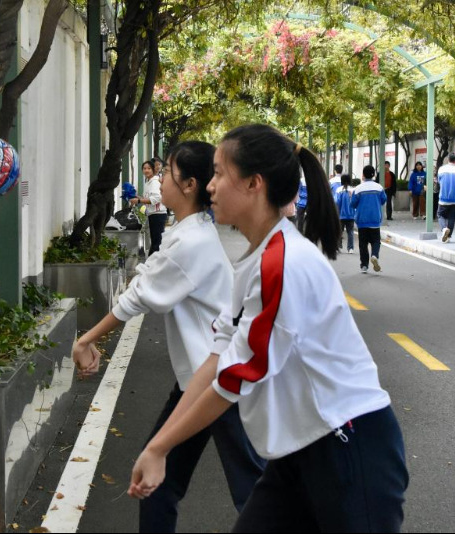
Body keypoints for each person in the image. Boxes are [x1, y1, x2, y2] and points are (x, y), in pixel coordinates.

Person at [128, 124, 408, 533]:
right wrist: (159, 446)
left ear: (253, 184)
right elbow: (218, 354)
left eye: (219, 173)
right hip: (299, 450)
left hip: (348, 447)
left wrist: (160, 447)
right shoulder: (257, 257)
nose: (210, 186)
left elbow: (235, 377)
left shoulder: (282, 263)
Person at [75, 141, 266, 533]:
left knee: (256, 494)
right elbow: (147, 278)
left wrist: (85, 340)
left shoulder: (192, 241)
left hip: (223, 382)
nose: (160, 179)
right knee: (158, 483)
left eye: (166, 173)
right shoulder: (185, 232)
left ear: (189, 184)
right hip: (198, 382)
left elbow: (140, 296)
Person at [352, 165, 387, 273]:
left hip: (362, 220)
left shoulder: (358, 189)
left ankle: (364, 266)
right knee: (376, 241)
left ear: (363, 175)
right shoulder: (379, 187)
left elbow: (353, 204)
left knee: (363, 244)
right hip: (375, 219)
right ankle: (374, 255)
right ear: (374, 175)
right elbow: (383, 200)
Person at [131, 160, 168, 255]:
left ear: (153, 170)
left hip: (158, 214)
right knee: (155, 241)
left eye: (149, 168)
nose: (146, 170)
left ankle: (155, 261)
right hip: (153, 214)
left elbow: (157, 198)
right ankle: (152, 260)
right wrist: (138, 198)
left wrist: (139, 201)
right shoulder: (148, 182)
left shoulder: (154, 182)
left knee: (157, 242)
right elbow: (148, 198)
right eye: (144, 168)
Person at [436, 153, 455, 243]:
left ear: (448, 159)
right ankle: (448, 237)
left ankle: (444, 229)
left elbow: (439, 181)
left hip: (443, 197)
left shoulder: (441, 169)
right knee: (452, 217)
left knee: (440, 214)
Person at [334, 174, 356, 254]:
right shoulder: (353, 190)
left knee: (339, 231)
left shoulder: (339, 190)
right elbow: (355, 202)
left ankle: (338, 247)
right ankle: (350, 248)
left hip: (341, 215)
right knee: (350, 232)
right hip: (351, 215)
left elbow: (337, 202)